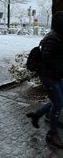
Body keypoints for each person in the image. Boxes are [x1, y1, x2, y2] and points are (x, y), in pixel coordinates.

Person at [26, 11, 63, 148]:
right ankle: (51, 135)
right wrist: (60, 68)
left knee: (58, 101)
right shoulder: (53, 38)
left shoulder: (59, 36)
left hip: (56, 75)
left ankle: (37, 115)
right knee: (58, 103)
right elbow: (47, 59)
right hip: (49, 76)